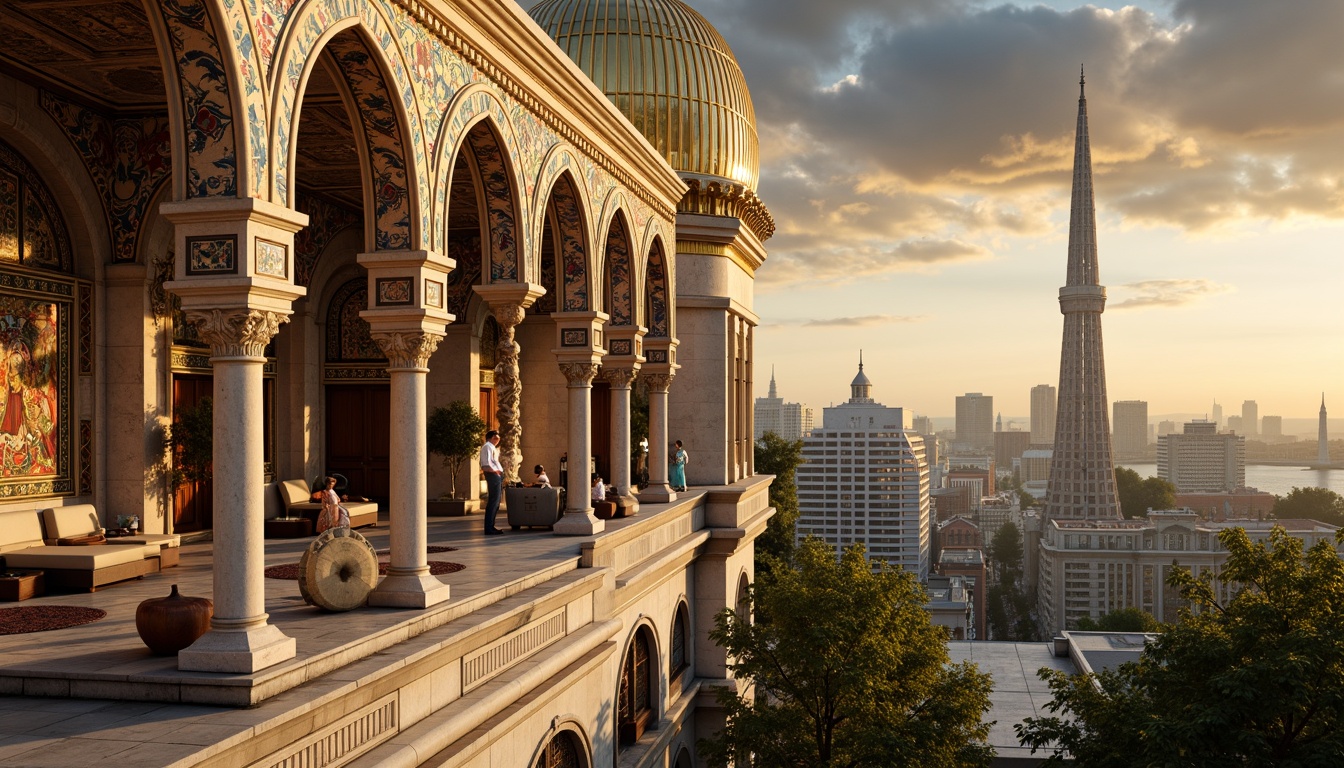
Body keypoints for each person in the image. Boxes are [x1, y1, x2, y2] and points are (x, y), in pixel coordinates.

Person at [480, 430, 504, 535]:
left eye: (498, 438)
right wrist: (494, 471)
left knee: (496, 502)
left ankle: (491, 526)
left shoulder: (493, 447)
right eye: (495, 438)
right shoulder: (487, 447)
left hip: (496, 475)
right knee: (493, 501)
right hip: (493, 474)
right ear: (490, 438)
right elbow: (486, 463)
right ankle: (489, 528)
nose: (498, 440)